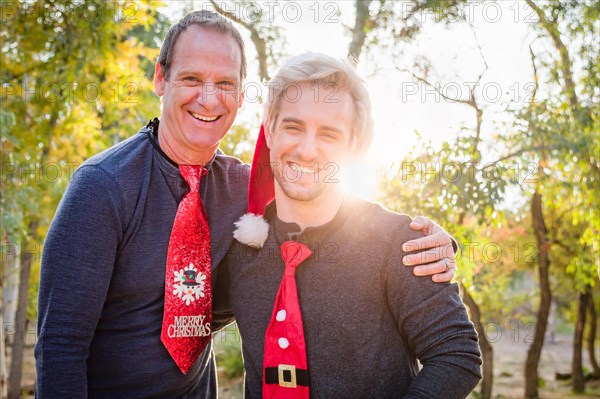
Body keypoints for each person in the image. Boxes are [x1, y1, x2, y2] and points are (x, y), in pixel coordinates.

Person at [35, 11, 458, 398]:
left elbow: (328, 191)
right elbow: (60, 345)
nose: (208, 98)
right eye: (191, 79)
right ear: (160, 78)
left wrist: (432, 241)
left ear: (241, 96)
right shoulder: (103, 187)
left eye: (224, 84)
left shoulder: (244, 186)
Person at [213, 52, 482, 398]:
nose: (308, 150)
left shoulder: (401, 244)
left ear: (355, 146)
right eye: (293, 127)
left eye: (329, 135)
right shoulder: (240, 245)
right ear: (270, 131)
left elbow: (456, 355)